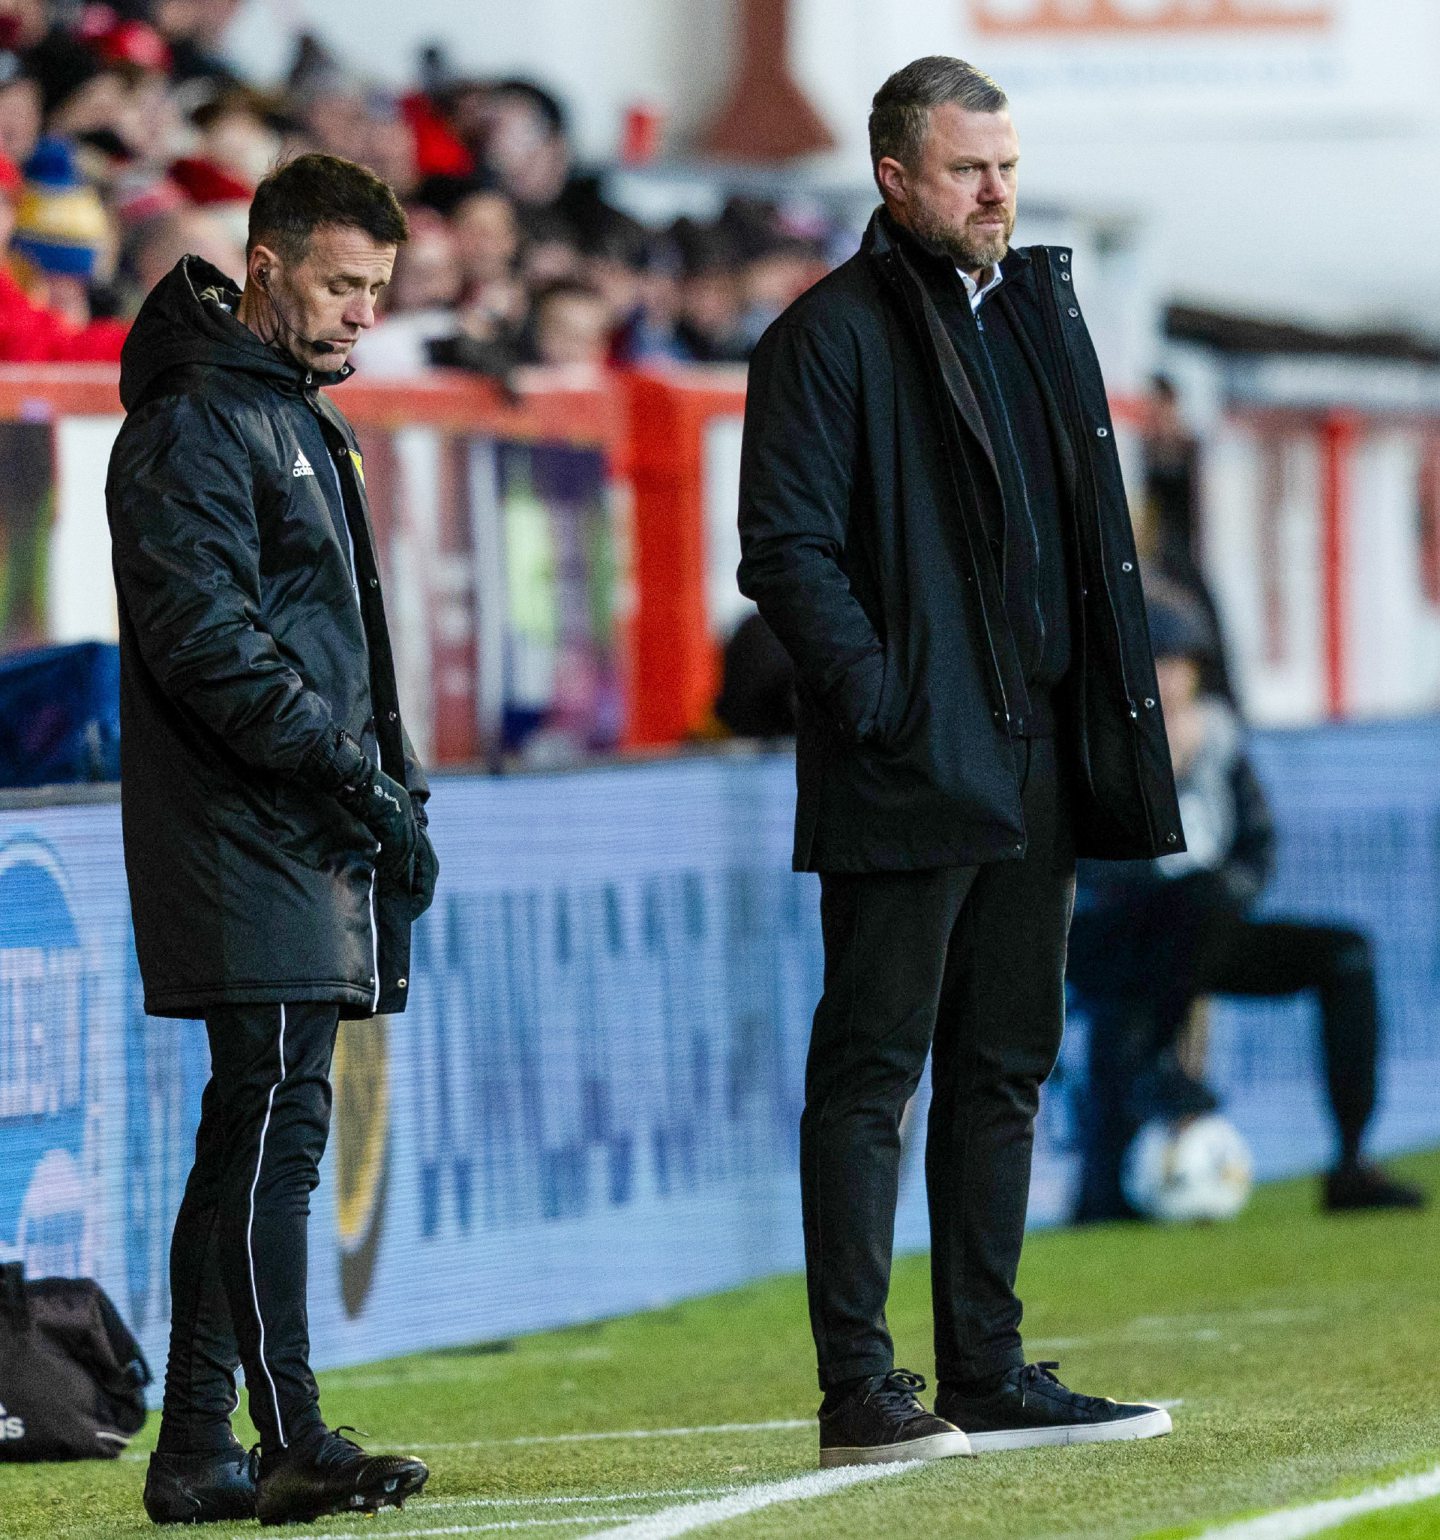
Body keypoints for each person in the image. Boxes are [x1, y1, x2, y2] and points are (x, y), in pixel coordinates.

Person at [737, 55, 1184, 1467]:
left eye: (1005, 164)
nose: (997, 190)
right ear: (893, 179)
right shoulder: (825, 339)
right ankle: (859, 1391)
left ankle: (983, 1370)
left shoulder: (1040, 315)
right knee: (871, 1069)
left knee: (1004, 1066)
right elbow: (785, 555)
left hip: (1040, 752)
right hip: (911, 757)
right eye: (966, 169)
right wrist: (888, 705)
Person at [106, 152, 437, 1526]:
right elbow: (212, 649)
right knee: (267, 1136)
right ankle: (289, 1432)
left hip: (296, 823)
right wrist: (354, 780)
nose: (365, 312)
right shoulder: (198, 421)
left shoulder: (284, 412)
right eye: (342, 283)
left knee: (264, 1132)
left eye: (378, 289)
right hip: (247, 826)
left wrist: (383, 787)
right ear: (264, 264)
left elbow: (324, 641)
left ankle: (197, 1450)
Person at [1067, 583, 1427, 1222]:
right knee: (1189, 910)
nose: (1174, 680)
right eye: (1160, 663)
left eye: (1182, 665)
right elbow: (1088, 864)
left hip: (1206, 929)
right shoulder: (1098, 744)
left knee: (1346, 955)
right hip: (1115, 939)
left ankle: (1350, 1161)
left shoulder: (1220, 743)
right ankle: (1144, 1100)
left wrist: (1232, 890)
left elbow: (1256, 843)